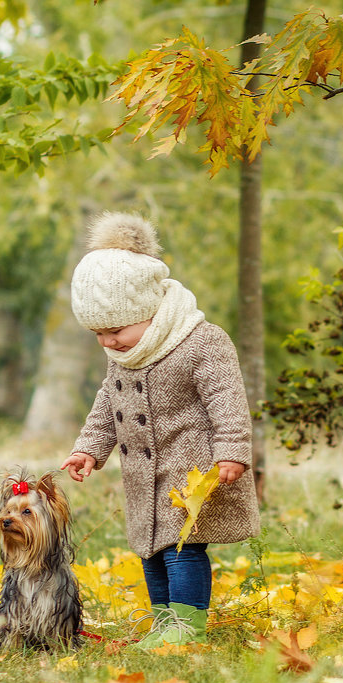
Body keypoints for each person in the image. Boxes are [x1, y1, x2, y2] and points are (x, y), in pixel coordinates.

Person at [59, 211, 261, 648]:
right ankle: (164, 620)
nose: (107, 343)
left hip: (191, 468)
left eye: (114, 330)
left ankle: (187, 625)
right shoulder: (126, 355)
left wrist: (232, 450)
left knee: (183, 548)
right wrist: (90, 448)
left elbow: (227, 398)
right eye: (97, 334)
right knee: (151, 550)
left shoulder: (201, 341)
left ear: (148, 310)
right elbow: (108, 402)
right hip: (144, 478)